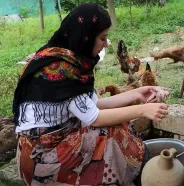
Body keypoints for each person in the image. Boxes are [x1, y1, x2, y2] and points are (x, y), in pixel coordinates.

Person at [12, 3, 168, 186]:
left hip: (52, 142)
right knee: (113, 133)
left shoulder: (68, 58)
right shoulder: (61, 69)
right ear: (85, 37)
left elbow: (94, 104)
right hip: (40, 158)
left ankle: (130, 175)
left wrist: (138, 94)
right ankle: (123, 177)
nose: (105, 44)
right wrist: (142, 110)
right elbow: (96, 118)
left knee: (115, 127)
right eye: (102, 38)